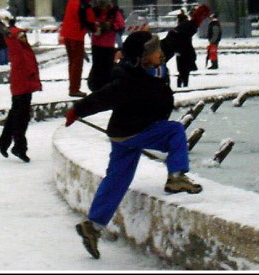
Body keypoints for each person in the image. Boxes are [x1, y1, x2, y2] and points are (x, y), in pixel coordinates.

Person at [66, 30, 202, 260]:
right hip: (135, 130)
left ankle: (93, 226)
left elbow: (171, 42)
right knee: (175, 132)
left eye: (159, 50)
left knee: (117, 180)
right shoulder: (127, 80)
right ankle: (177, 177)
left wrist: (193, 23)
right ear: (142, 57)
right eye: (155, 51)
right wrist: (77, 110)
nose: (160, 53)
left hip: (123, 134)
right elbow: (101, 98)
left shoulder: (154, 62)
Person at [0, 15, 42, 162]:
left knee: (16, 115)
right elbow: (12, 43)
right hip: (21, 87)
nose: (23, 38)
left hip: (27, 87)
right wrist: (8, 34)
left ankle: (3, 141)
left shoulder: (26, 48)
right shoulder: (17, 49)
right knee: (22, 119)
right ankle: (19, 147)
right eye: (20, 37)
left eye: (23, 36)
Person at [60, 0, 97, 97]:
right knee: (77, 64)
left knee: (72, 63)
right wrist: (96, 29)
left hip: (67, 35)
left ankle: (72, 87)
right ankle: (74, 89)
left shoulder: (71, 1)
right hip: (76, 36)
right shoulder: (84, 5)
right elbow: (89, 20)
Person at [163, 11, 198, 88]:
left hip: (181, 53)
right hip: (186, 53)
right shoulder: (186, 29)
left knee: (182, 70)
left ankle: (181, 84)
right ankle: (184, 84)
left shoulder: (180, 30)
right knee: (185, 71)